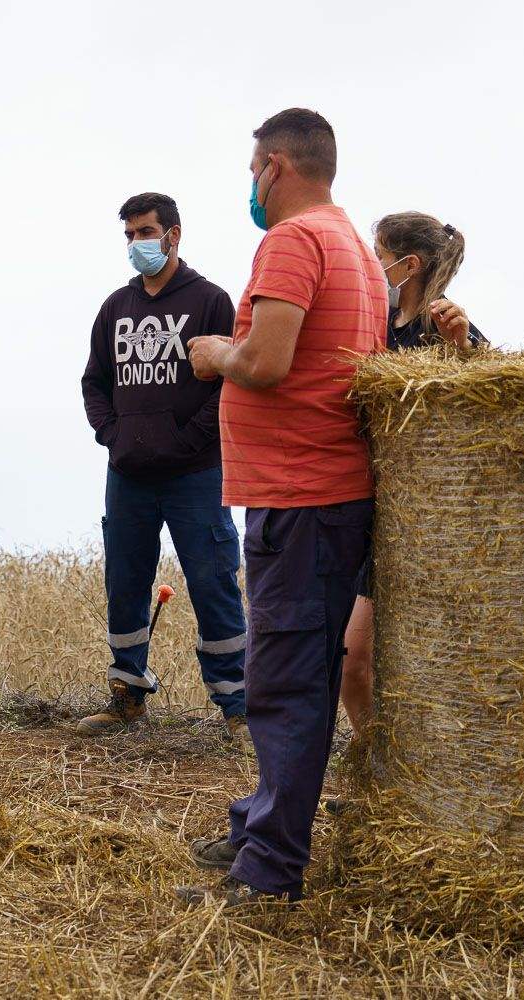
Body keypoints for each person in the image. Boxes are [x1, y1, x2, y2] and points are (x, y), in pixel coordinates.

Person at [175, 108, 386, 906]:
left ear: (275, 165)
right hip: (319, 494)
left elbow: (266, 361)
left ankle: (267, 873)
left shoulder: (293, 241)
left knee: (289, 681)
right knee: (290, 671)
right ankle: (257, 820)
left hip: (303, 496)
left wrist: (213, 354)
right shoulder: (352, 245)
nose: (249, 184)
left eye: (252, 168)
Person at [76, 193, 249, 741]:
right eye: (128, 235)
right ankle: (127, 695)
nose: (136, 244)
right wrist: (113, 435)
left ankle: (237, 706)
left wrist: (185, 441)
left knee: (213, 580)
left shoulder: (211, 301)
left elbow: (230, 383)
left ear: (174, 234)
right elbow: (94, 383)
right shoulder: (115, 308)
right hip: (128, 475)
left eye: (145, 232)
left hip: (196, 474)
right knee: (124, 581)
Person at [338, 211, 487, 738]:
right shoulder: (377, 327)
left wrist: (461, 348)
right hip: (379, 517)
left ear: (410, 264)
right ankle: (375, 766)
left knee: (424, 669)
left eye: (378, 256)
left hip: (433, 526)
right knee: (351, 660)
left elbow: (493, 399)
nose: (371, 266)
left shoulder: (443, 324)